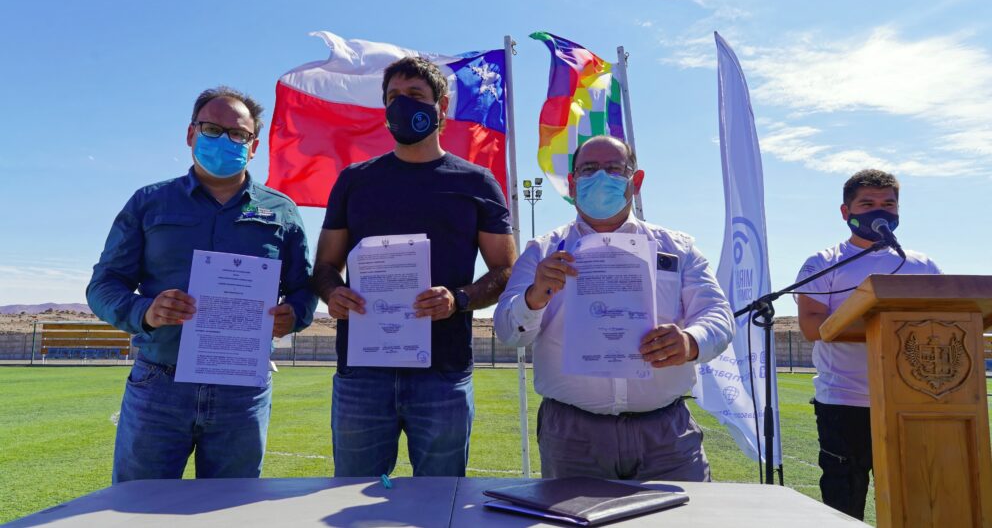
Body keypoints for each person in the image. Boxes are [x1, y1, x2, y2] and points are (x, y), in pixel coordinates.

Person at [87, 86, 317, 483]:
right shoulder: (150, 203)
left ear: (254, 145)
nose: (225, 140)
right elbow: (104, 284)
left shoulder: (282, 211)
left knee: (227, 512)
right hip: (160, 383)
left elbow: (304, 288)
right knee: (137, 508)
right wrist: (146, 311)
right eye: (212, 128)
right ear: (191, 134)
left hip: (241, 389)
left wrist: (294, 314)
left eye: (238, 134)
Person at [312, 56, 516, 477]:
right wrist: (332, 293)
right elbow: (325, 264)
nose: (402, 105)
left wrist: (459, 299)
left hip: (442, 373)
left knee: (441, 505)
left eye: (415, 96)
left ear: (441, 108)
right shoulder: (355, 180)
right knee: (347, 499)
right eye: (393, 98)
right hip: (362, 373)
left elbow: (506, 270)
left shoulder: (476, 183)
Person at [494, 135, 734, 481]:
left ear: (635, 182)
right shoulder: (541, 251)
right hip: (573, 438)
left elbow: (718, 316)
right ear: (573, 185)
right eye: (589, 170)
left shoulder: (677, 249)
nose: (601, 178)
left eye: (613, 169)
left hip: (666, 434)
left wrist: (690, 341)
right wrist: (534, 297)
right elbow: (506, 330)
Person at [794, 168, 941, 520]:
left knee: (917, 500)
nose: (881, 211)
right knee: (843, 504)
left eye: (888, 203)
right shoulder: (822, 263)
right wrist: (885, 331)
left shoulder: (923, 266)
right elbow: (813, 326)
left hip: (912, 400)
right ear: (847, 213)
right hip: (844, 403)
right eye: (868, 203)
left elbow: (943, 323)